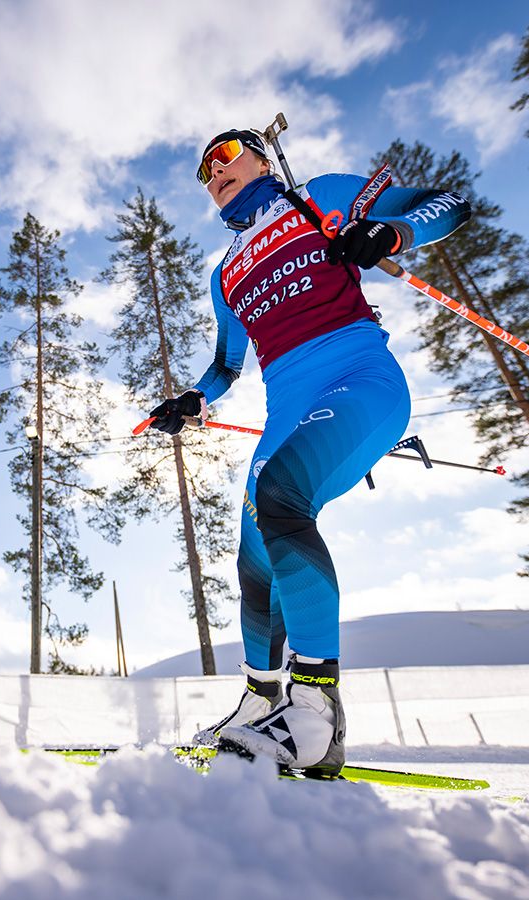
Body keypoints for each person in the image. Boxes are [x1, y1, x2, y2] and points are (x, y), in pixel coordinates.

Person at [146, 128, 470, 771]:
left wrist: (388, 234)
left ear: (264, 160)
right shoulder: (226, 275)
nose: (215, 174)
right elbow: (225, 365)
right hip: (283, 414)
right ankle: (259, 704)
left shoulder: (319, 199)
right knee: (253, 560)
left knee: (279, 496)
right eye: (205, 173)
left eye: (228, 157)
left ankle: (317, 715)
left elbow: (448, 202)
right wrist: (193, 399)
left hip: (359, 384)